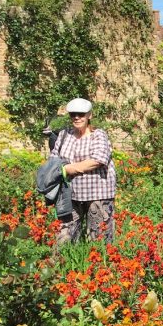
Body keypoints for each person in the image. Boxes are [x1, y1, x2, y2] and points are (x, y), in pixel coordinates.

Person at [50, 97, 116, 243]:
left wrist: (67, 169)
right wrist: (58, 168)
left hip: (97, 193)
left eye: (81, 114)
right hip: (70, 194)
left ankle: (101, 266)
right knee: (65, 237)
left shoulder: (98, 134)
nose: (77, 117)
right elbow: (54, 159)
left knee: (99, 239)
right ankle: (65, 264)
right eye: (73, 114)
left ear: (89, 115)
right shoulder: (63, 135)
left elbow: (98, 160)